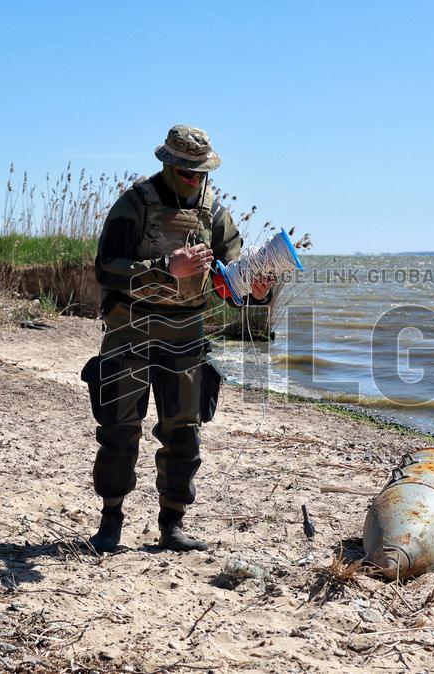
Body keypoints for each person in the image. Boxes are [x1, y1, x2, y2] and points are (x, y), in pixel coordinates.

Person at [83, 125, 274, 553]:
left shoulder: (215, 215)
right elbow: (106, 269)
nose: (194, 178)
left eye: (201, 171)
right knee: (119, 430)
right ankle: (110, 520)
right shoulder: (134, 205)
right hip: (129, 333)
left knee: (184, 433)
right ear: (168, 164)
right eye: (186, 170)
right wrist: (166, 267)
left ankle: (172, 524)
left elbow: (230, 279)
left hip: (186, 336)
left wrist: (256, 291)